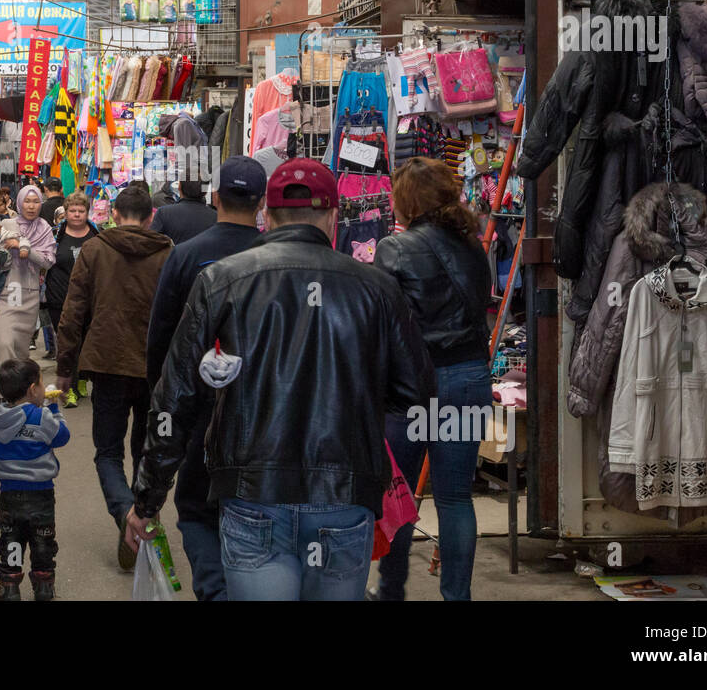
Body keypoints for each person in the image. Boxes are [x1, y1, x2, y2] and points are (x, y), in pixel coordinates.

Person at [126, 159, 434, 601]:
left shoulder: (221, 281)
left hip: (254, 495)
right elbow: (415, 392)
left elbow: (173, 400)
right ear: (332, 217)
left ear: (266, 216)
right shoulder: (376, 288)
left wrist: (147, 500)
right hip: (344, 495)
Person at [143, 156, 266, 601]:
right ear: (261, 202)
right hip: (264, 409)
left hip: (197, 409)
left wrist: (161, 405)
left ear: (215, 197)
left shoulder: (186, 255)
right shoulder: (274, 256)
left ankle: (216, 590)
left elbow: (161, 338)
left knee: (196, 510)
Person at [373, 157, 494, 601]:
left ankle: (390, 592)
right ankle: (456, 597)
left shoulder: (395, 248)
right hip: (469, 378)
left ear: (408, 201)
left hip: (414, 386)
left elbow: (380, 323)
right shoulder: (473, 244)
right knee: (456, 498)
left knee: (400, 496)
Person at [55, 186, 172, 570]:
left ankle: (126, 514)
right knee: (145, 449)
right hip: (154, 367)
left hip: (107, 362)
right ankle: (143, 515)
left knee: (108, 451)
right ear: (151, 215)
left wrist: (65, 369)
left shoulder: (95, 250)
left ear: (115, 214)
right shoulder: (168, 253)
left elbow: (73, 313)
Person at [0, 358, 71, 601]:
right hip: (41, 492)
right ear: (33, 389)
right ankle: (43, 585)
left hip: (9, 493)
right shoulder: (42, 416)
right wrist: (54, 409)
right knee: (42, 538)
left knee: (11, 538)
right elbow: (62, 437)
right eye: (42, 384)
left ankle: (8, 585)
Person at [0, 184, 58, 395]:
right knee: (5, 344)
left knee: (19, 351)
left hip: (28, 294)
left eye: (35, 201)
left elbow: (48, 262)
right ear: (19, 202)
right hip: (6, 292)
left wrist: (25, 248)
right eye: (27, 201)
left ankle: (18, 395)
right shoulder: (7, 224)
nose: (31, 206)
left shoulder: (45, 227)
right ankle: (3, 394)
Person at [45, 192, 100, 407]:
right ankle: (70, 388)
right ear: (65, 213)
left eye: (81, 211)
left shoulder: (96, 234)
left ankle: (83, 379)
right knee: (67, 343)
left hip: (90, 298)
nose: (77, 215)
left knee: (87, 341)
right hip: (60, 297)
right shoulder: (56, 235)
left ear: (87, 213)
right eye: (72, 211)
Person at [149, 179, 216, 244]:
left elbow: (151, 243)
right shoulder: (215, 217)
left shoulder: (163, 213)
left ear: (179, 187)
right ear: (205, 192)